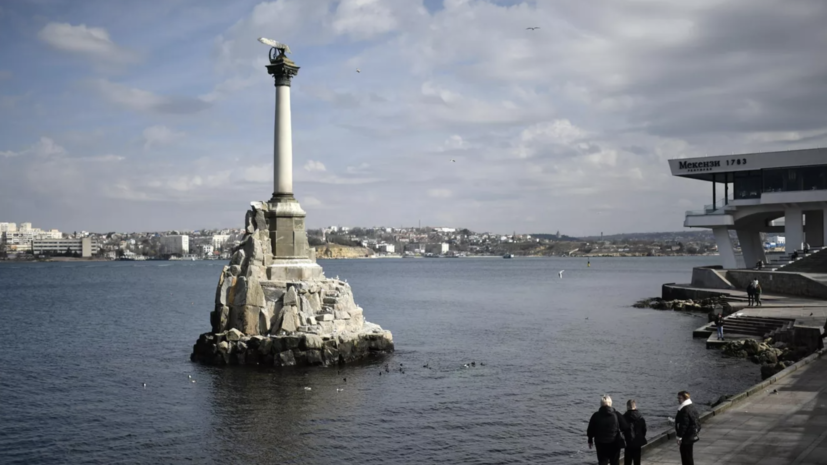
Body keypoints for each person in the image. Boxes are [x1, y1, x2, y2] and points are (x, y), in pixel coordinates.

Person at [588, 395, 629, 465]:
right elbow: (625, 427)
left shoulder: (595, 415)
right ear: (610, 403)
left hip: (600, 443)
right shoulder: (617, 414)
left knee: (602, 461)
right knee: (614, 462)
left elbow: (590, 429)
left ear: (601, 404)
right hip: (614, 443)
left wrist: (590, 440)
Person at [675, 391, 701, 465]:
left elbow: (683, 425)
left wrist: (679, 437)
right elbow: (697, 421)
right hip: (691, 434)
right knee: (689, 455)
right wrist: (696, 431)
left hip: (686, 437)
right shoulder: (692, 407)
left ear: (685, 399)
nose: (678, 400)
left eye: (680, 398)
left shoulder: (684, 410)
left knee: (686, 456)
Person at [623, 400, 648, 465]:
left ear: (627, 407)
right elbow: (644, 429)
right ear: (635, 406)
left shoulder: (624, 417)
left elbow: (621, 430)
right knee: (637, 461)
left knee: (627, 461)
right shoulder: (640, 417)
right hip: (637, 442)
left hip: (628, 442)